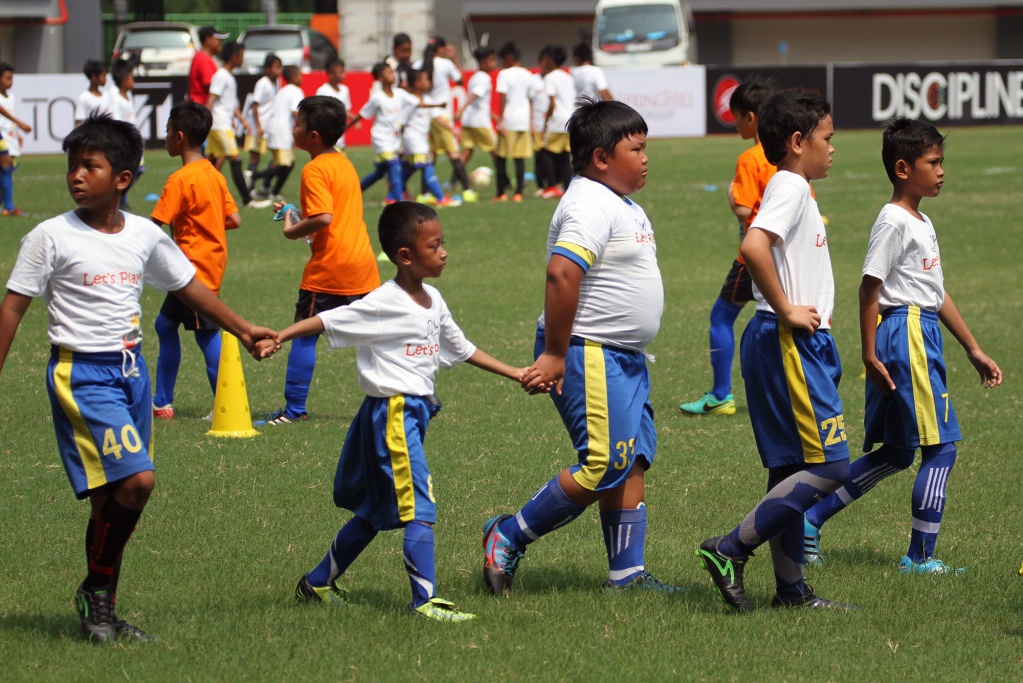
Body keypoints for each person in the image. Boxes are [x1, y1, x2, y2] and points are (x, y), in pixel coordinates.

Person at [0, 113, 275, 642]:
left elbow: (189, 286)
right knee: (139, 481)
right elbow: (12, 308)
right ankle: (94, 592)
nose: (76, 176)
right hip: (81, 373)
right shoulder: (49, 236)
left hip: (132, 372)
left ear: (123, 178)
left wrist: (241, 329)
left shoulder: (145, 235)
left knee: (112, 501)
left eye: (90, 166)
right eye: (72, 166)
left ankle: (100, 610)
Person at [256, 201, 526, 621]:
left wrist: (517, 373)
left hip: (411, 415)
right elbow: (330, 320)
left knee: (374, 513)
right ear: (405, 256)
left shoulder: (433, 299)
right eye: (434, 246)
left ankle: (317, 582)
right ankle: (425, 600)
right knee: (420, 506)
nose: (444, 252)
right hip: (393, 415)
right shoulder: (384, 302)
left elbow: (462, 348)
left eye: (443, 243)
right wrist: (281, 335)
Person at [484, 98, 677, 596]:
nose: (645, 157)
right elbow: (562, 271)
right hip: (588, 350)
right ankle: (509, 533)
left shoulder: (618, 200)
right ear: (601, 158)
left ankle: (627, 577)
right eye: (636, 148)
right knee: (603, 463)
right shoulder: (589, 201)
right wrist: (554, 353)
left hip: (622, 355)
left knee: (630, 460)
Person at [803, 117, 1002, 574]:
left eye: (941, 162)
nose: (941, 170)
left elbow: (936, 291)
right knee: (942, 448)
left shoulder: (921, 220)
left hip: (916, 328)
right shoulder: (893, 221)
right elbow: (868, 288)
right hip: (906, 334)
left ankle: (810, 520)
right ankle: (920, 557)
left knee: (896, 451)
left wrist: (972, 347)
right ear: (902, 168)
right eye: (933, 162)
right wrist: (868, 354)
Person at [696, 89, 852, 612]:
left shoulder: (795, 186)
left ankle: (790, 591)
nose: (833, 148)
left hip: (787, 339)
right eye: (826, 138)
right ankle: (730, 548)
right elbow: (753, 245)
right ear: (796, 141)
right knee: (832, 467)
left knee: (791, 470)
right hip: (787, 339)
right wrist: (787, 308)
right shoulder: (789, 185)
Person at [256, 96, 381, 426]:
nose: (292, 128)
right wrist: (294, 214)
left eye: (296, 123)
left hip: (329, 268)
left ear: (313, 136)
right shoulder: (343, 162)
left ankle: (294, 409)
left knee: (303, 334)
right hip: (362, 265)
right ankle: (414, 394)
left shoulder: (313, 169)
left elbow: (324, 218)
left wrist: (291, 229)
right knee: (382, 336)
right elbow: (333, 216)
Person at [679, 79, 775, 416]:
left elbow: (744, 209)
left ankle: (721, 395)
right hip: (788, 254)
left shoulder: (751, 158)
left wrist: (731, 196)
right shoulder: (789, 154)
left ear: (751, 117)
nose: (735, 124)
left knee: (721, 315)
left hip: (754, 255)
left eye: (736, 117)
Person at [151, 101, 242, 420]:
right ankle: (162, 401)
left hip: (190, 271)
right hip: (207, 266)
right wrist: (206, 223)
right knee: (164, 324)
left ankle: (225, 405)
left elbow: (154, 225)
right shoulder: (214, 175)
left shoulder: (180, 179)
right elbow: (235, 218)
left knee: (206, 334)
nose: (164, 138)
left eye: (166, 132)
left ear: (178, 137)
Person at [349, 62, 421, 206]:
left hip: (393, 140)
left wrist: (438, 105)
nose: (392, 74)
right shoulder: (378, 97)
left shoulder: (399, 94)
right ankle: (400, 203)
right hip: (380, 139)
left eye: (392, 72)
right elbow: (362, 114)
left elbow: (417, 103)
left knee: (379, 174)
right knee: (395, 165)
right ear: (380, 78)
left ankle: (353, 193)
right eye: (388, 72)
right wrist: (345, 128)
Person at [414, 36, 475, 202]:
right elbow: (460, 80)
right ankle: (468, 191)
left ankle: (424, 194)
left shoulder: (418, 64)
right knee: (453, 153)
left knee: (431, 156)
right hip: (442, 115)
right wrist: (454, 57)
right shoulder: (445, 64)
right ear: (441, 49)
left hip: (427, 115)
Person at [206, 41, 265, 209]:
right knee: (235, 158)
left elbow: (231, 104)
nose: (243, 60)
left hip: (223, 123)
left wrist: (242, 121)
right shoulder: (221, 76)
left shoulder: (229, 77)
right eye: (242, 56)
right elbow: (211, 99)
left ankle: (202, 193)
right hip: (219, 124)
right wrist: (203, 121)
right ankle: (247, 200)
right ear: (235, 56)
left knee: (210, 162)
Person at [402, 69, 461, 208]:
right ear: (417, 83)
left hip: (421, 140)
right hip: (413, 139)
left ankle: (396, 191)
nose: (429, 82)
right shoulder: (408, 99)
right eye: (426, 80)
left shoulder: (428, 99)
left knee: (411, 167)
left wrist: (451, 128)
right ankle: (441, 198)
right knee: (427, 165)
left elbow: (437, 117)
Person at [253, 65, 304, 202]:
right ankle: (255, 177)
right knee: (287, 165)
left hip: (273, 129)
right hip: (282, 131)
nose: (302, 78)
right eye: (300, 75)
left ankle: (265, 188)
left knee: (277, 162)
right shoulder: (296, 91)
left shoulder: (282, 90)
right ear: (294, 77)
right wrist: (308, 122)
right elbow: (295, 112)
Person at [493, 42, 534, 202]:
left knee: (502, 158)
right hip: (523, 120)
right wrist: (530, 121)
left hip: (509, 120)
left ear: (509, 58)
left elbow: (503, 98)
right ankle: (518, 193)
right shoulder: (528, 74)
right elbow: (530, 100)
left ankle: (501, 193)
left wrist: (500, 120)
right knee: (519, 158)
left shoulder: (504, 74)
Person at [102, 59, 143, 209]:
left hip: (132, 141)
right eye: (132, 76)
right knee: (131, 170)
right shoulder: (114, 95)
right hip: (123, 142)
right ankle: (118, 201)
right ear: (125, 78)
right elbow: (115, 120)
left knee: (137, 169)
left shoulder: (127, 95)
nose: (134, 80)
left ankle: (120, 200)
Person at [537, 45, 576, 199]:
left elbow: (552, 104)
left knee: (546, 153)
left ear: (550, 59)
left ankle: (552, 186)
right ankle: (566, 187)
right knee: (564, 156)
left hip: (557, 121)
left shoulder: (550, 77)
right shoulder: (568, 76)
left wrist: (546, 122)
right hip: (570, 121)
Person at [456, 47, 497, 176]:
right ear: (483, 62)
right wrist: (460, 110)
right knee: (497, 152)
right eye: (492, 60)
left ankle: (453, 180)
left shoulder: (475, 77)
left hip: (469, 121)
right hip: (480, 122)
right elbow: (473, 96)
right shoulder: (485, 78)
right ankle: (505, 180)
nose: (495, 63)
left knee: (467, 152)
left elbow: (479, 103)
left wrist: (496, 118)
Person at [244, 54, 281, 186]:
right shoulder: (262, 83)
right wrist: (258, 126)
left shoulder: (276, 83)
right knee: (255, 157)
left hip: (268, 126)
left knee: (275, 156)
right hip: (258, 126)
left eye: (280, 67)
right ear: (267, 68)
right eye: (276, 67)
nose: (278, 71)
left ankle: (264, 184)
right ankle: (250, 184)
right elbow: (255, 105)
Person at [0, 62, 32, 217]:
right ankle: (9, 208)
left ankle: (6, 206)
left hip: (9, 137)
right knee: (6, 167)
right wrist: (20, 123)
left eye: (11, 78)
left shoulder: (11, 97)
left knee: (6, 170)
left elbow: (8, 118)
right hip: (1, 136)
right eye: (7, 78)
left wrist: (17, 132)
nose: (10, 82)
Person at [315, 57, 351, 150]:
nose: (344, 74)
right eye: (341, 72)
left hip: (340, 137)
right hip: (327, 136)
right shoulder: (323, 90)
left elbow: (345, 110)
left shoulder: (345, 90)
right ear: (331, 74)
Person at [189, 26, 228, 106]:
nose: (220, 43)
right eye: (218, 39)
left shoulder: (203, 57)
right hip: (201, 108)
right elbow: (212, 88)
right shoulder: (203, 60)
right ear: (208, 40)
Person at [75, 60, 108, 127]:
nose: (106, 79)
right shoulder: (84, 97)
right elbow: (79, 122)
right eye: (103, 75)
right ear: (94, 77)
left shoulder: (106, 95)